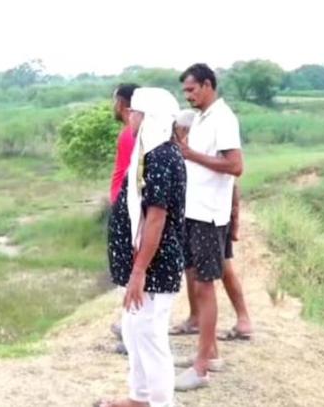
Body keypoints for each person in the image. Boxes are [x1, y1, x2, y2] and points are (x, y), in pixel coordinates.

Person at [101, 87, 186, 407]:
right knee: (134, 330)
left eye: (134, 112)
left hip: (155, 265)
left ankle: (161, 403)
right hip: (143, 264)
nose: (130, 117)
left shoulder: (161, 156)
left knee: (150, 336)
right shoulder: (148, 152)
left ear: (149, 116)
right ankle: (140, 397)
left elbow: (156, 218)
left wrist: (139, 271)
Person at [171, 64, 244, 391]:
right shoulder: (201, 117)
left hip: (209, 215)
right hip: (194, 210)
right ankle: (209, 353)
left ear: (207, 85)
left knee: (204, 285)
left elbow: (235, 165)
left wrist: (190, 154)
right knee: (197, 281)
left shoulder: (223, 118)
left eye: (191, 90)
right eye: (185, 91)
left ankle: (201, 369)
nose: (188, 96)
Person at [108, 83, 140, 347]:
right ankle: (129, 325)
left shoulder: (132, 133)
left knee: (128, 270)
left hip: (127, 206)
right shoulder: (133, 132)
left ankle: (132, 332)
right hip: (125, 204)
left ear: (122, 103)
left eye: (115, 100)